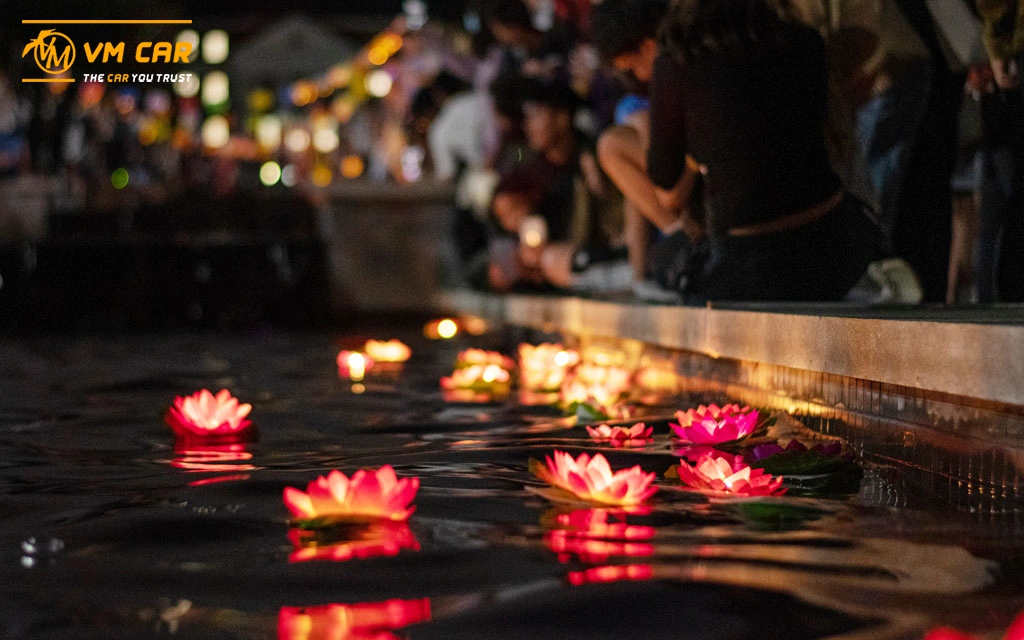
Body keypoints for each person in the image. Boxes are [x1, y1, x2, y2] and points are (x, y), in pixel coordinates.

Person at [648, 0, 885, 302]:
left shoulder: (677, 62)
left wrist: (697, 159)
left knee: (666, 256)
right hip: (834, 246)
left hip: (749, 264)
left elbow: (667, 191)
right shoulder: (803, 41)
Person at [590, 0, 703, 301]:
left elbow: (672, 190)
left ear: (648, 45)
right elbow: (639, 195)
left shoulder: (685, 65)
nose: (638, 75)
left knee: (614, 144)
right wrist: (638, 276)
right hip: (677, 189)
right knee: (615, 142)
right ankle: (673, 245)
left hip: (706, 179)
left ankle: (685, 243)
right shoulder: (639, 99)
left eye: (634, 64)